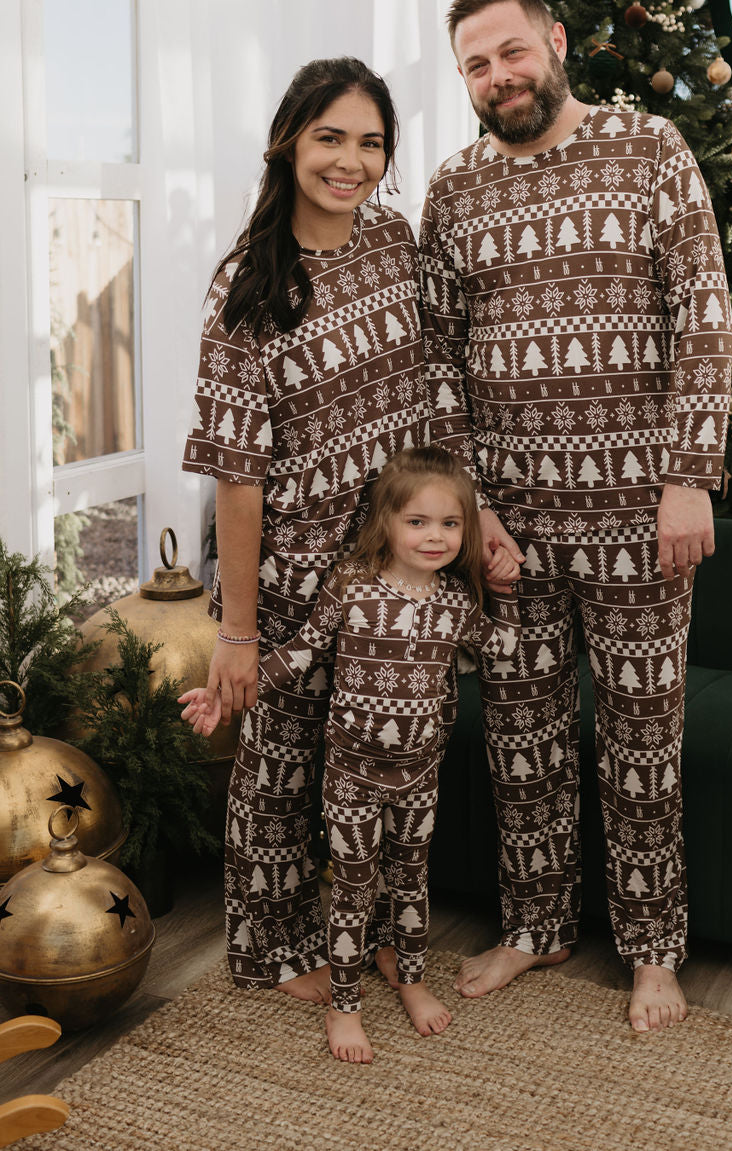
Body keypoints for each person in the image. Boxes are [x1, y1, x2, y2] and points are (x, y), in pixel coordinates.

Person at [419, 0, 732, 1031]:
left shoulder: (651, 149)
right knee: (521, 738)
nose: (498, 75)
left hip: (642, 516)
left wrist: (688, 474)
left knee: (642, 740)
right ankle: (537, 921)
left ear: (554, 40)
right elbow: (438, 362)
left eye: (511, 51)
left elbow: (704, 316)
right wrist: (470, 509)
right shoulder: (452, 190)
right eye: (476, 63)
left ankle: (652, 949)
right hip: (509, 521)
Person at [179, 57, 440, 1003]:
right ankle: (273, 948)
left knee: (372, 764)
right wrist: (239, 630)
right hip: (288, 570)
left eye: (372, 142)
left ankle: (364, 931)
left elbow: (422, 391)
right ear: (290, 140)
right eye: (332, 137)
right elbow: (236, 479)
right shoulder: (244, 289)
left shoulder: (394, 243)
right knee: (280, 772)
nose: (352, 161)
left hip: (389, 567)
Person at [182, 446, 517, 1063]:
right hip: (352, 776)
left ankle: (413, 981)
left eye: (450, 524)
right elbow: (300, 654)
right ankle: (346, 1005)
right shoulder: (351, 584)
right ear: (386, 520)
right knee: (354, 888)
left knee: (413, 882)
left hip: (418, 777)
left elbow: (504, 649)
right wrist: (222, 697)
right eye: (417, 521)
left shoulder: (455, 602)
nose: (435, 537)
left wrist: (506, 589)